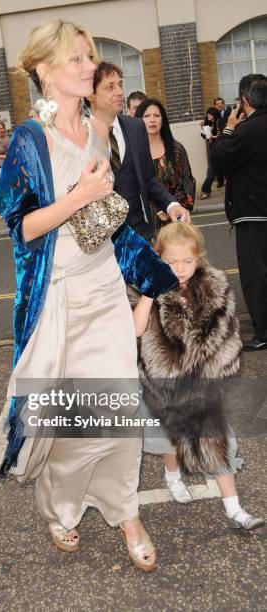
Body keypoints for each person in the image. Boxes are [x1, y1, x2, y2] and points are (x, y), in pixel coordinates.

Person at [0, 19, 179, 573]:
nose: (88, 67)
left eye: (90, 57)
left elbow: (108, 224)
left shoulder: (98, 134)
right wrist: (77, 196)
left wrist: (154, 273)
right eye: (76, 58)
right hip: (60, 296)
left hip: (103, 288)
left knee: (119, 409)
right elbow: (21, 227)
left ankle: (127, 513)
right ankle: (61, 504)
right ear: (45, 70)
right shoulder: (30, 140)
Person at [128, 223, 265, 530]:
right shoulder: (147, 287)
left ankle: (235, 509)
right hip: (158, 384)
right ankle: (172, 475)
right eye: (171, 262)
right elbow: (135, 330)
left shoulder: (214, 288)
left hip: (200, 384)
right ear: (158, 258)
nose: (179, 268)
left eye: (187, 261)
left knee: (217, 439)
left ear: (199, 258)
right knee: (167, 440)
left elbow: (228, 339)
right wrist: (150, 290)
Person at [88, 62, 190, 242]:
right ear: (91, 95)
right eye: (110, 87)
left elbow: (149, 180)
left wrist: (171, 204)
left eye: (120, 85)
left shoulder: (135, 127)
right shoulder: (82, 134)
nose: (119, 92)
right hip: (104, 244)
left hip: (140, 233)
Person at [210, 73, 267, 351]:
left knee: (256, 275)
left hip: (254, 214)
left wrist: (230, 127)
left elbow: (218, 158)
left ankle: (264, 332)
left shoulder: (246, 131)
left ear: (244, 100)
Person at [135, 98, 195, 235]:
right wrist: (155, 211)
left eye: (156, 115)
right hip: (144, 228)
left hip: (175, 226)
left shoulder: (177, 150)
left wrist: (171, 207)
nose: (152, 120)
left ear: (163, 120)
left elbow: (188, 183)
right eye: (146, 116)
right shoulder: (133, 153)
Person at [199, 107, 221, 199]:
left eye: (210, 114)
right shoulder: (209, 124)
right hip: (214, 149)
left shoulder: (219, 121)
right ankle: (205, 191)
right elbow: (205, 137)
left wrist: (214, 136)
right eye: (207, 114)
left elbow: (224, 134)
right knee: (211, 170)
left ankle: (205, 191)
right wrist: (201, 127)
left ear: (214, 114)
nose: (208, 115)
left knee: (211, 171)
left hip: (220, 149)